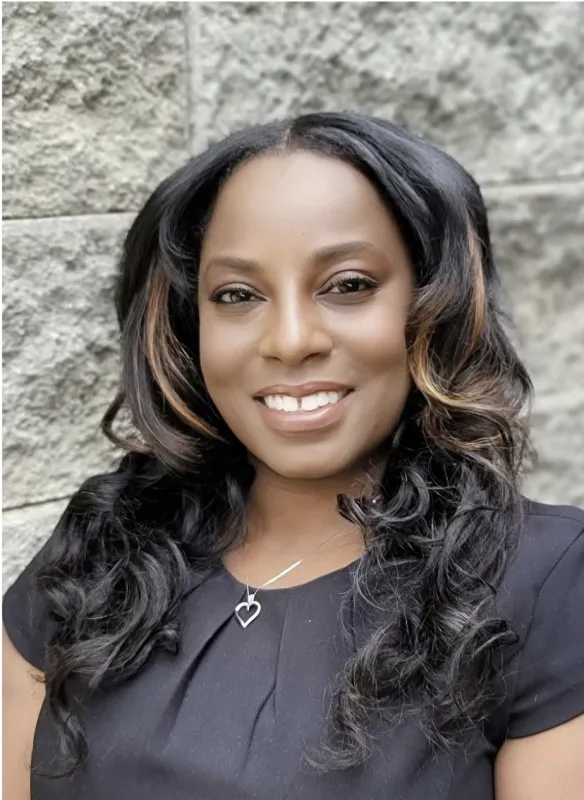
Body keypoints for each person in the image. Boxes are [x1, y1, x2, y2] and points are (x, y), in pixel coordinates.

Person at [3, 111, 583, 800]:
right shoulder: (106, 544)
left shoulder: (543, 580)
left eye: (348, 285)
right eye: (238, 295)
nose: (289, 339)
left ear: (436, 304)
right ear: (193, 327)